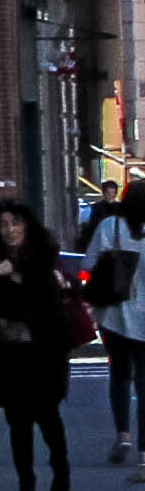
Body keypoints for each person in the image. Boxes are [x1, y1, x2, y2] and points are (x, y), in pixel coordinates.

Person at [0, 200, 87, 491]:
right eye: (4, 225)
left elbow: (59, 295)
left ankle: (60, 467)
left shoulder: (44, 259)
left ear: (26, 226)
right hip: (8, 354)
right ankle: (26, 485)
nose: (10, 230)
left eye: (15, 223)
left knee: (47, 416)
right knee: (17, 422)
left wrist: (31, 282)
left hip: (44, 353)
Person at [85, 179, 145, 470]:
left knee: (120, 376)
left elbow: (88, 264)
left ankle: (123, 434)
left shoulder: (111, 226)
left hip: (114, 315)